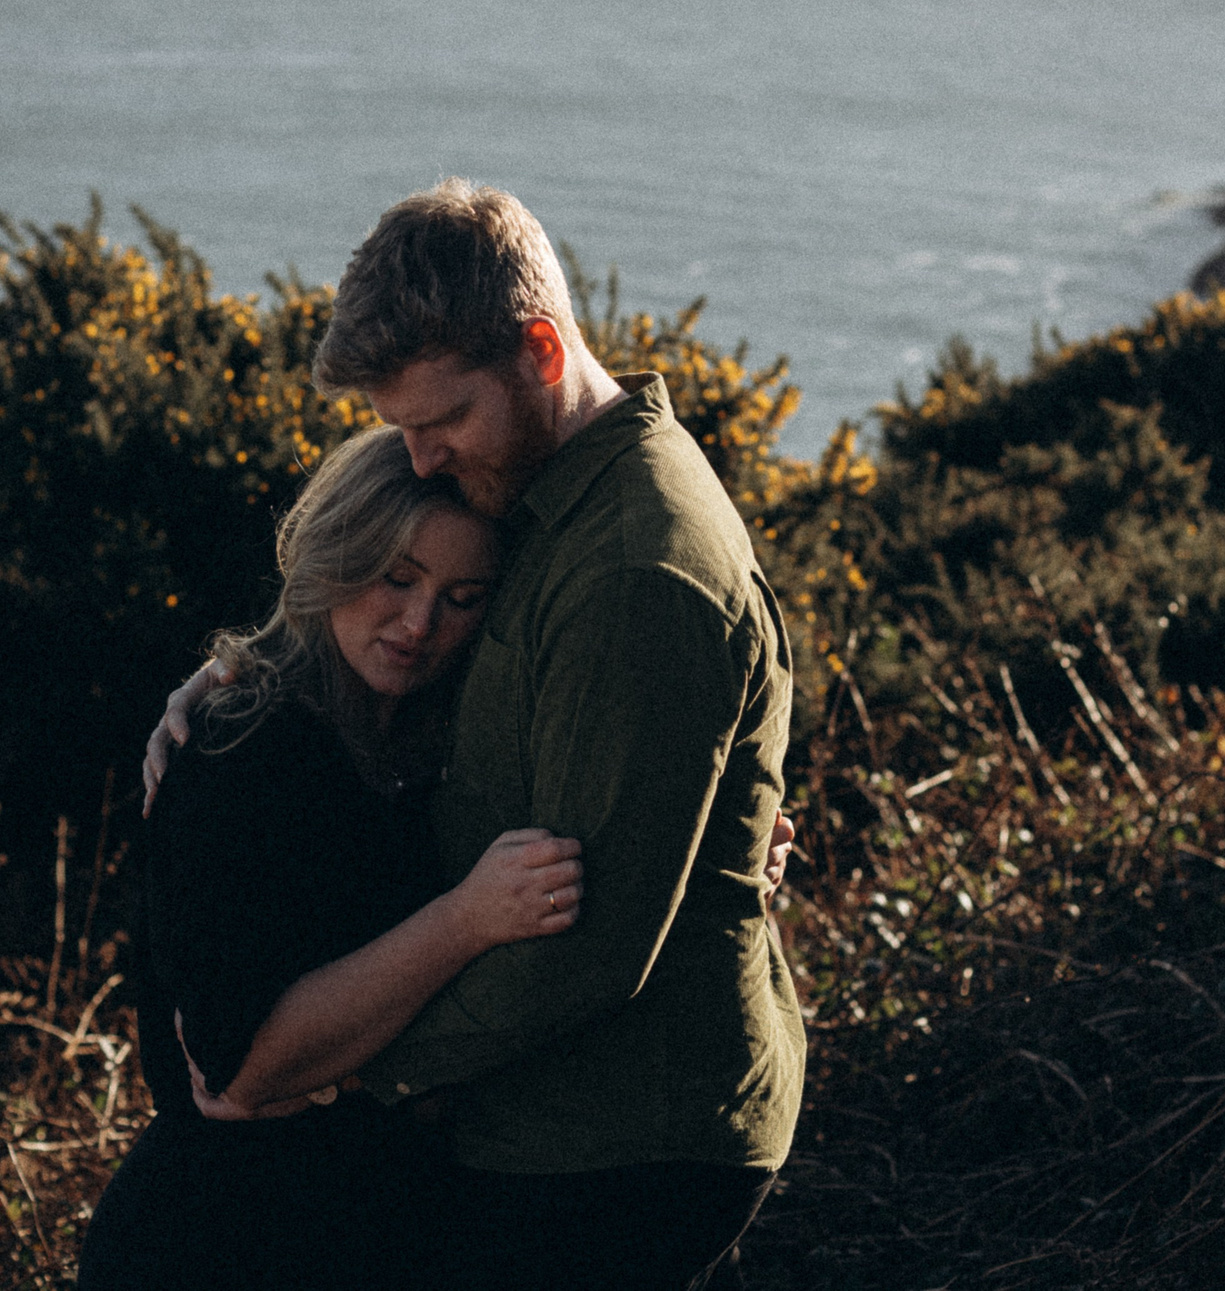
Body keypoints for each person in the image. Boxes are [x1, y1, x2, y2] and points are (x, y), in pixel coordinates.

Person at [149, 179, 804, 1291]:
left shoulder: (630, 570)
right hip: (539, 1121)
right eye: (398, 430)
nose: (420, 460)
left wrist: (337, 1068)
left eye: (443, 420)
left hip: (611, 1138)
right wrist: (251, 673)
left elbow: (588, 952)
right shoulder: (543, 500)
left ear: (542, 352)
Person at [77, 426, 586, 1290]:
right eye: (396, 577)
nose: (421, 623)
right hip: (217, 1245)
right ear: (337, 550)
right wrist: (463, 920)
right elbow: (236, 1069)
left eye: (464, 597)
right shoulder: (243, 747)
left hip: (371, 1226)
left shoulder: (439, 737)